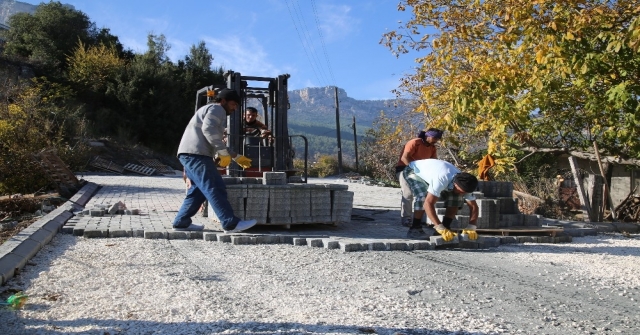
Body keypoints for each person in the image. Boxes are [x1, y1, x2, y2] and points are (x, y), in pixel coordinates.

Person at [173, 88, 257, 232]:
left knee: (198, 190)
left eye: (237, 105)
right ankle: (230, 223)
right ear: (223, 101)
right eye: (233, 104)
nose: (235, 108)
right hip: (197, 154)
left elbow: (215, 138)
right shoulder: (217, 109)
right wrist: (223, 153)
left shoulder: (210, 110)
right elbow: (209, 130)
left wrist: (235, 156)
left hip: (191, 153)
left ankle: (181, 222)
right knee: (215, 186)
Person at [402, 159, 479, 241]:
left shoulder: (466, 184)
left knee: (456, 198)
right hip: (414, 170)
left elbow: (473, 206)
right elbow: (428, 204)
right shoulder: (442, 179)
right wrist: (439, 226)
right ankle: (415, 228)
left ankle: (446, 228)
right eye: (461, 191)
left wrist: (472, 226)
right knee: (423, 197)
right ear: (455, 184)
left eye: (464, 193)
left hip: (433, 173)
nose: (462, 194)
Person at [395, 128, 443, 227]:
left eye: (437, 139)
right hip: (404, 169)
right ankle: (406, 218)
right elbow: (404, 157)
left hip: (421, 172)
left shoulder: (432, 148)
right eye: (434, 138)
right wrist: (412, 170)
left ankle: (420, 218)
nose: (436, 141)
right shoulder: (414, 142)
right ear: (427, 136)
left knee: (424, 194)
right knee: (408, 193)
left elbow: (433, 162)